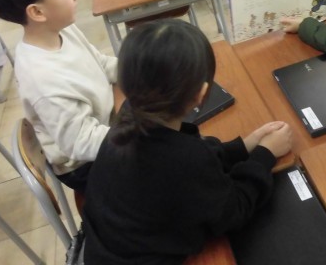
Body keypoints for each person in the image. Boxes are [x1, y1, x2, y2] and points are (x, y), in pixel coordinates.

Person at [83, 20, 293, 263]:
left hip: (101, 250)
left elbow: (192, 158)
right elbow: (233, 212)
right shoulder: (185, 160)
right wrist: (265, 155)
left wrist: (243, 147)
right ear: (201, 94)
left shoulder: (129, 114)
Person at [0, 0, 118, 194]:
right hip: (87, 164)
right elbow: (81, 142)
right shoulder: (43, 79)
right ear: (37, 12)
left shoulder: (62, 30)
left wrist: (142, 67)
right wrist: (142, 135)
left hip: (107, 126)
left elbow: (101, 64)